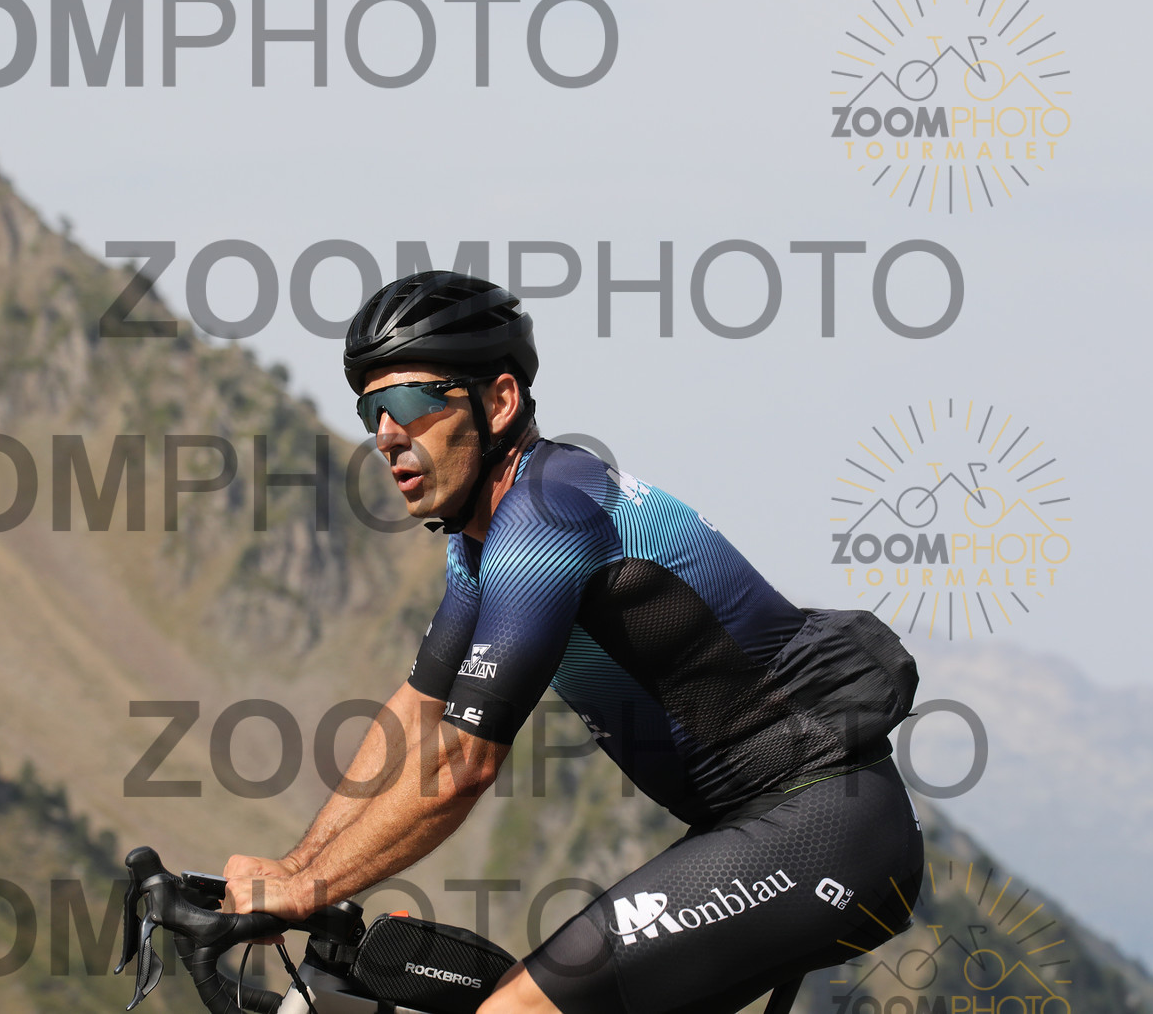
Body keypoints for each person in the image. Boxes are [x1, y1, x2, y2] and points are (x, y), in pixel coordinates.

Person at [225, 271, 925, 1014]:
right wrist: (294, 868)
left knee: (515, 1011)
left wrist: (309, 887)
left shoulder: (547, 516)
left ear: (499, 401)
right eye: (372, 410)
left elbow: (462, 765)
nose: (388, 435)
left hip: (824, 823)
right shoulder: (482, 546)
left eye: (411, 403)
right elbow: (417, 715)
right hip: (753, 827)